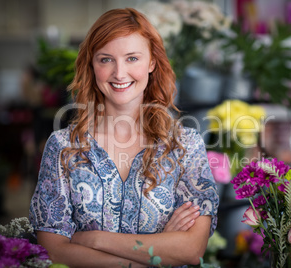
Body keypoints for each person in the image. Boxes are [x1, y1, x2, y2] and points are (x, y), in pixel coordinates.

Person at [29, 8, 219, 268]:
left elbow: (191, 249)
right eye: (106, 59)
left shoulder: (186, 146)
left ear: (151, 62)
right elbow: (53, 250)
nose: (119, 73)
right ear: (92, 64)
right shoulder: (63, 148)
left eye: (132, 58)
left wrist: (94, 239)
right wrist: (157, 250)